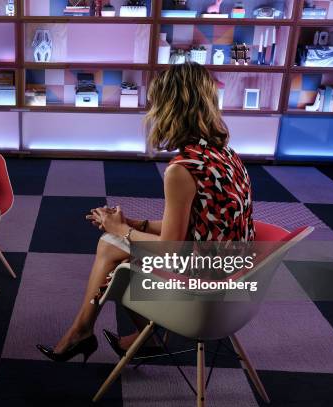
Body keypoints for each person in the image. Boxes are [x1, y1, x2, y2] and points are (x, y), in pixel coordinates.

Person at [36, 63, 255, 362]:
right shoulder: (226, 154)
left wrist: (120, 230)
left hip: (206, 291)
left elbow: (171, 251)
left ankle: (86, 332)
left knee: (113, 253)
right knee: (116, 251)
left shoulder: (182, 170)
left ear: (169, 109)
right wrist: (134, 224)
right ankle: (104, 333)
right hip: (238, 277)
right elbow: (201, 226)